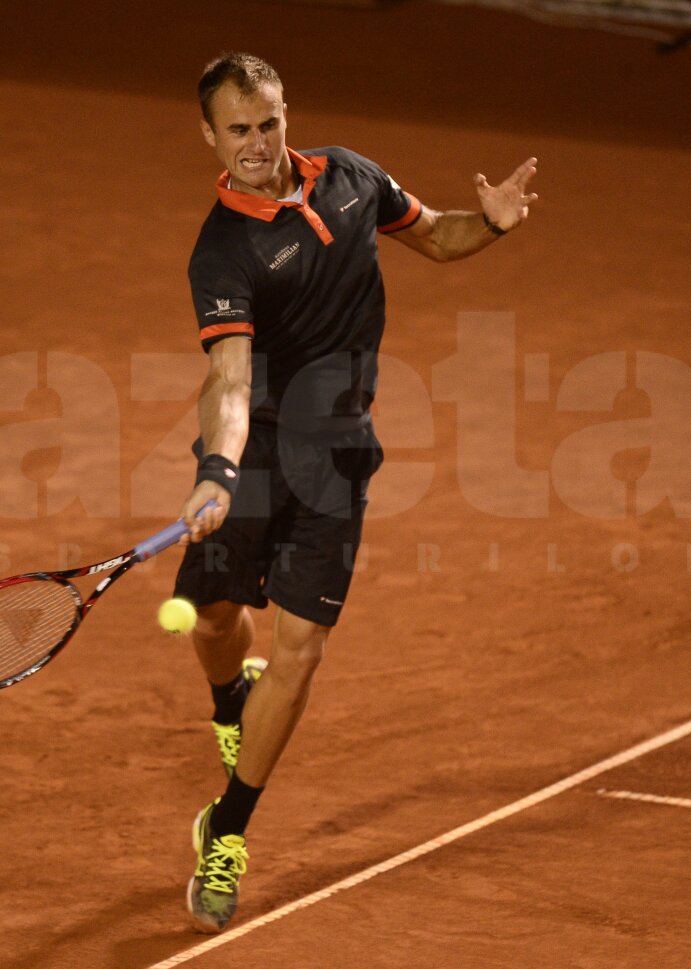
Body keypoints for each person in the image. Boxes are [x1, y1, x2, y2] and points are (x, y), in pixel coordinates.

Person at [173, 52, 538, 933]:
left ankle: (225, 829)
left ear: (284, 113)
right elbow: (228, 377)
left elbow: (437, 237)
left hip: (338, 456)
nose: (257, 144)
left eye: (267, 123)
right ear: (210, 138)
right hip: (254, 452)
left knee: (299, 653)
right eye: (237, 130)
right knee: (218, 619)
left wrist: (486, 224)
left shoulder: (351, 177)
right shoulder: (222, 249)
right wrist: (218, 471)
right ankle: (231, 702)